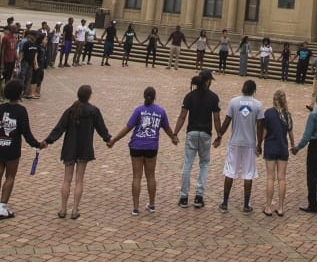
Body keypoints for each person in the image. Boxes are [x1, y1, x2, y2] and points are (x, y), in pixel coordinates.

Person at [0, 80, 42, 220]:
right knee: (10, 176)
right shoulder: (21, 110)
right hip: (12, 147)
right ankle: (3, 208)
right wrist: (36, 144)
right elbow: (26, 132)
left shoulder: (0, 108)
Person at [44, 84, 113, 219]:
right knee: (79, 180)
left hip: (69, 147)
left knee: (66, 180)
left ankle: (63, 209)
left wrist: (48, 141)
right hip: (84, 148)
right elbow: (101, 128)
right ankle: (75, 210)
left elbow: (59, 128)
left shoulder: (71, 110)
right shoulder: (93, 111)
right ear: (89, 96)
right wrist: (108, 139)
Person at [108, 86, 178, 215]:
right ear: (155, 97)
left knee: (136, 176)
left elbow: (128, 128)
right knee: (151, 176)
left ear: (144, 96)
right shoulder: (160, 111)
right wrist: (173, 138)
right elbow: (167, 128)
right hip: (151, 147)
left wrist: (114, 140)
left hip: (136, 145)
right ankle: (151, 205)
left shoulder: (138, 110)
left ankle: (135, 207)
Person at [173, 70, 221, 208]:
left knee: (188, 164)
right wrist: (219, 135)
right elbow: (216, 119)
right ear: (208, 81)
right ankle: (199, 196)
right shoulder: (213, 97)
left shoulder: (190, 96)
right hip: (206, 133)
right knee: (204, 164)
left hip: (192, 132)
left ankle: (183, 197)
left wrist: (175, 133)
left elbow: (182, 116)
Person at [216, 78, 265, 212]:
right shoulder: (258, 105)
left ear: (243, 88)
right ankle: (245, 205)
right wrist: (259, 144)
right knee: (248, 174)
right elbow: (260, 127)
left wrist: (219, 135)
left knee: (230, 171)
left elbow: (226, 121)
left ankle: (225, 203)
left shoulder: (234, 102)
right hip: (249, 144)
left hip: (235, 142)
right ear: (254, 91)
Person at [260, 89, 297, 216]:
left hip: (270, 147)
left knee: (270, 178)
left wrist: (258, 144)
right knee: (282, 178)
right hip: (282, 148)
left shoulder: (269, 113)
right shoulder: (288, 115)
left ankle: (268, 207)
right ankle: (281, 207)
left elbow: (264, 132)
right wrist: (292, 145)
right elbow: (290, 133)